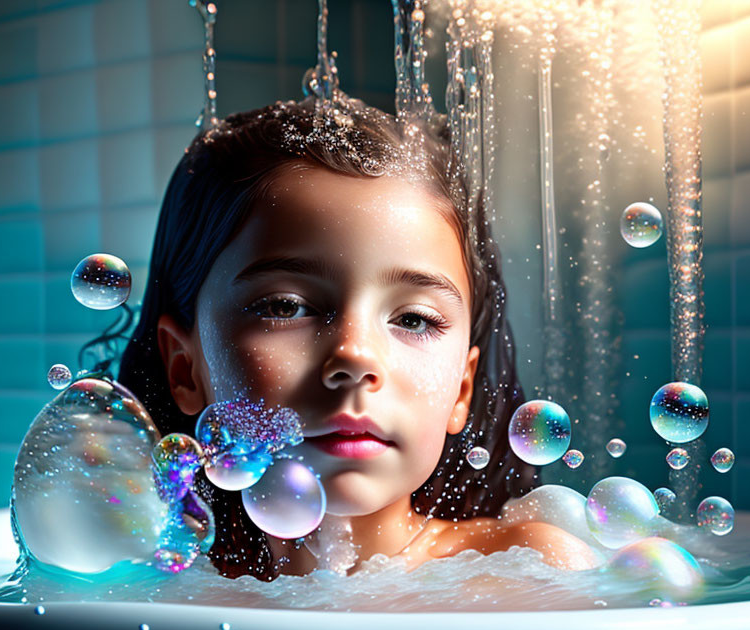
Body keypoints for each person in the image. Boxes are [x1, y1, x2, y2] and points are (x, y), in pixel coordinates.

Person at [119, 96, 597, 580]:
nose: (354, 355)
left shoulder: (531, 574)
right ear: (184, 367)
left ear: (462, 389)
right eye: (286, 307)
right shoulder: (155, 589)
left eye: (413, 319)